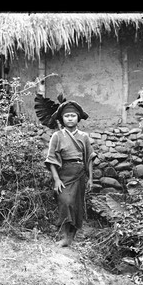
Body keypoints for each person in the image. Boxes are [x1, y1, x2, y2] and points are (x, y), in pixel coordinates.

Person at [44, 101, 96, 247]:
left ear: (78, 118)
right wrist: (56, 179)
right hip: (63, 174)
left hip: (79, 173)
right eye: (67, 116)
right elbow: (51, 159)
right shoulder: (57, 136)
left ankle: (70, 237)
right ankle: (64, 236)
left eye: (73, 115)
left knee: (76, 205)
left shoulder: (84, 136)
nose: (70, 118)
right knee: (65, 203)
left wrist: (91, 178)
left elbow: (89, 158)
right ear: (62, 119)